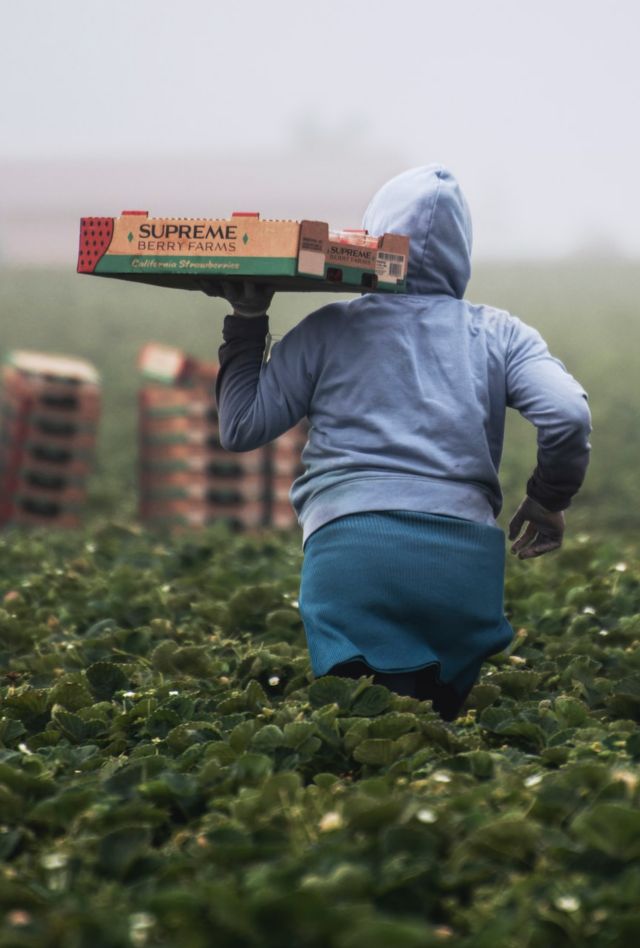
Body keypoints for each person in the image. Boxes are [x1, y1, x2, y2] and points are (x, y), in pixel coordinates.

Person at [207, 164, 591, 722]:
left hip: (349, 555)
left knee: (360, 737)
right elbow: (567, 414)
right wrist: (548, 498)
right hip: (462, 567)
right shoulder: (502, 333)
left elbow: (241, 426)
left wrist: (246, 318)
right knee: (440, 747)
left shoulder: (328, 329)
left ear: (371, 240)